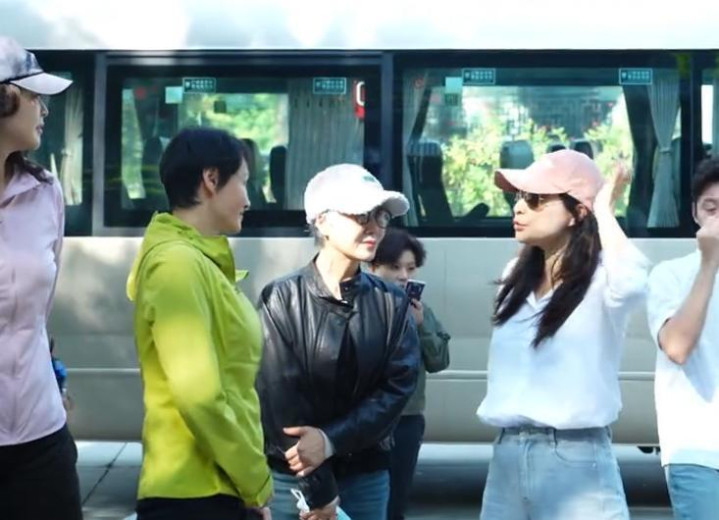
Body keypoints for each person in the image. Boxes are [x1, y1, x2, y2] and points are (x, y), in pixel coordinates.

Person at [476, 150, 648, 520]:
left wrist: (604, 209)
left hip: (575, 457)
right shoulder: (514, 275)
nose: (519, 207)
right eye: (518, 197)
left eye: (535, 199)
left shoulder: (603, 277)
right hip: (507, 454)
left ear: (577, 212)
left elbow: (634, 285)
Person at [256, 164, 420, 520]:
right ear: (323, 222)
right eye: (362, 215)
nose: (375, 226)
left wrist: (330, 440)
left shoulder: (392, 301)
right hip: (293, 479)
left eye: (381, 216)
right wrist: (320, 491)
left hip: (366, 476)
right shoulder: (281, 297)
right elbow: (279, 402)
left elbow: (396, 389)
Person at [126, 128, 272, 520]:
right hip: (193, 493)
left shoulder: (199, 260)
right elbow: (200, 396)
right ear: (211, 179)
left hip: (218, 487)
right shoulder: (177, 264)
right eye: (243, 181)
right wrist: (255, 480)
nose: (248, 199)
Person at [0, 36, 82, 520]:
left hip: (40, 437)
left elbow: (38, 315)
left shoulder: (45, 193)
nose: (44, 109)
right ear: (4, 98)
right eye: (34, 96)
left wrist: (53, 377)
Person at [647, 157, 719, 519]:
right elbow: (677, 347)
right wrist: (709, 263)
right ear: (695, 213)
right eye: (712, 208)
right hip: (699, 450)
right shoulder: (670, 275)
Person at [368, 227, 450, 520]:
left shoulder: (420, 311)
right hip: (366, 418)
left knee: (396, 499)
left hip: (406, 418)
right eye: (394, 267)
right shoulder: (360, 306)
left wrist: (420, 326)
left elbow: (439, 360)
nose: (403, 276)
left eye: (410, 268)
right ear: (373, 266)